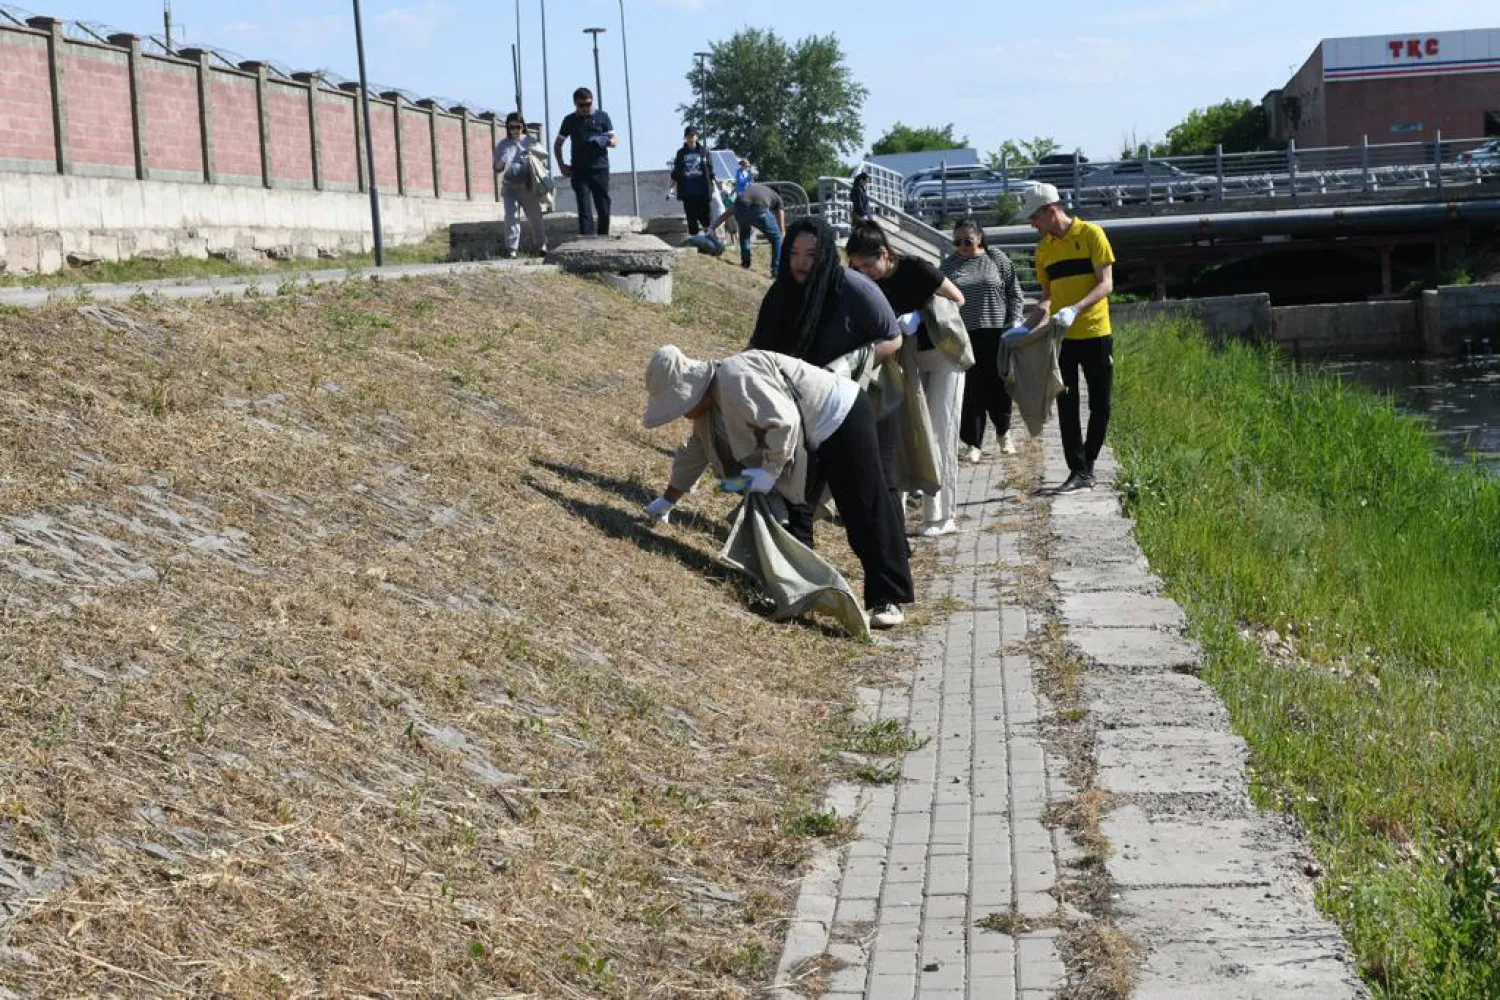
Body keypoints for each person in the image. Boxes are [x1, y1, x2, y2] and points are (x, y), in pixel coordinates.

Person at [641, 345, 914, 629]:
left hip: (840, 414)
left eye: (679, 404)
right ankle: (799, 593)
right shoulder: (708, 411)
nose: (682, 414)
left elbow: (785, 422)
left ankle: (889, 597)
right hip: (806, 437)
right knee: (795, 511)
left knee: (862, 507)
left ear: (692, 388)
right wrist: (666, 501)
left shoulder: (736, 378)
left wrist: (769, 473)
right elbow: (694, 453)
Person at [747, 216, 904, 549]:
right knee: (799, 488)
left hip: (863, 403)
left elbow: (893, 338)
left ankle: (895, 554)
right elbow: (759, 346)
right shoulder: (781, 294)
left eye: (810, 254)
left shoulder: (856, 288)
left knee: (873, 488)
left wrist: (848, 368)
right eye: (794, 252)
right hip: (806, 409)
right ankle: (800, 567)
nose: (801, 262)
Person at [845, 222, 967, 538]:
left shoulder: (915, 268)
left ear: (885, 254)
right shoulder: (863, 284)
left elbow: (957, 298)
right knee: (910, 432)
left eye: (869, 264)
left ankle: (942, 516)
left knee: (942, 429)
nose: (865, 272)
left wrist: (921, 313)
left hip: (942, 355)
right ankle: (899, 514)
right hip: (905, 360)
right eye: (857, 267)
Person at [1021, 183, 1116, 493]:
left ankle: (1088, 464)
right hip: (1062, 337)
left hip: (1095, 332)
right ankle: (1077, 470)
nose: (1031, 224)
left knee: (1101, 403)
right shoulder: (1044, 249)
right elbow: (1048, 297)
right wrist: (1026, 325)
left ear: (1051, 211)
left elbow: (1105, 284)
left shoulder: (1091, 234)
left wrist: (1076, 308)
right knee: (1067, 402)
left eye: (1034, 218)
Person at [941, 218, 1026, 462]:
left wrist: (1015, 322)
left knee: (998, 387)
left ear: (979, 237)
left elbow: (1014, 292)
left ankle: (1004, 433)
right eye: (957, 242)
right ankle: (973, 443)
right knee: (970, 391)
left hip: (996, 331)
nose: (962, 246)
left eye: (967, 240)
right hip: (964, 335)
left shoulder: (996, 258)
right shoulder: (949, 266)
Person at [553, 87, 616, 236]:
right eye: (582, 105)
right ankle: (587, 241)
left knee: (603, 206)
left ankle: (603, 238)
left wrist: (602, 140)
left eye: (588, 104)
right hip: (579, 171)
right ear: (575, 104)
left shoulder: (603, 117)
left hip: (600, 168)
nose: (586, 108)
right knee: (584, 207)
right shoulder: (570, 120)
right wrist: (561, 166)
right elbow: (558, 144)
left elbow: (614, 141)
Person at [493, 112, 547, 259]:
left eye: (518, 126)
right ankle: (512, 250)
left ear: (523, 126)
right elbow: (496, 168)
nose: (515, 130)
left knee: (535, 217)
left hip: (528, 186)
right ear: (508, 128)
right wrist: (503, 160)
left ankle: (542, 246)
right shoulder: (503, 145)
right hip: (510, 186)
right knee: (511, 217)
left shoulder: (531, 142)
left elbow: (543, 161)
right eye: (512, 127)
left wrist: (531, 157)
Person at [711, 182, 784, 278]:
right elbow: (781, 219)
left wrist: (712, 228)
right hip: (759, 209)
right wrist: (782, 233)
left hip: (740, 208)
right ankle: (776, 271)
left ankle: (745, 263)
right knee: (777, 238)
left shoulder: (755, 189)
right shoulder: (777, 197)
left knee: (744, 233)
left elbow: (727, 214)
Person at [671, 126, 716, 235]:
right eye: (688, 136)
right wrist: (672, 184)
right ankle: (696, 243)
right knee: (691, 220)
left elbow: (710, 170)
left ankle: (710, 241)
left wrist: (714, 185)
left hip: (702, 191)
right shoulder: (681, 153)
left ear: (697, 137)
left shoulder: (704, 151)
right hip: (688, 192)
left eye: (692, 136)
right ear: (685, 138)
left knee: (706, 218)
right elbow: (676, 171)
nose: (690, 138)